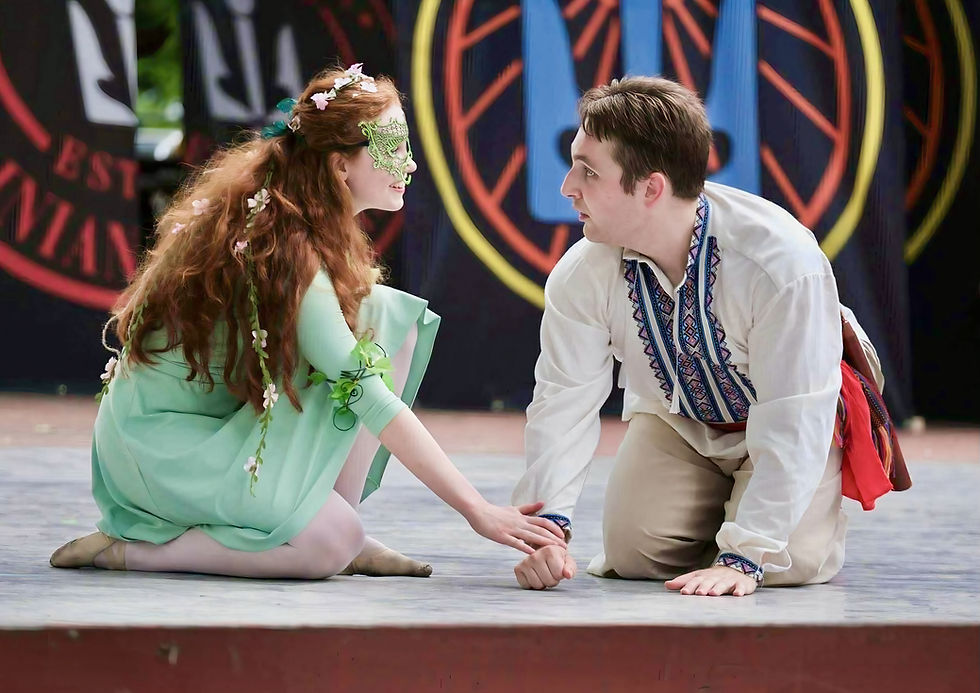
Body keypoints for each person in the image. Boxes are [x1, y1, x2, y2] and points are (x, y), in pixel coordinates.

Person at [50, 64, 565, 579]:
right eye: (391, 147)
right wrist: (478, 509)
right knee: (328, 539)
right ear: (341, 167)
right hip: (161, 452)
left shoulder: (305, 220)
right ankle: (126, 551)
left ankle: (333, 519)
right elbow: (366, 393)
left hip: (217, 431)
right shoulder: (287, 246)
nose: (408, 164)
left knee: (388, 316)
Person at [511, 76, 907, 595]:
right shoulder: (583, 271)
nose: (567, 187)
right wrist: (549, 528)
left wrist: (745, 556)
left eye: (587, 172)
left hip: (785, 418)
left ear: (651, 187)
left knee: (787, 566)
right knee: (634, 556)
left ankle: (766, 519)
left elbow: (795, 410)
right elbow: (564, 399)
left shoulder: (780, 263)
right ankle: (728, 514)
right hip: (679, 421)